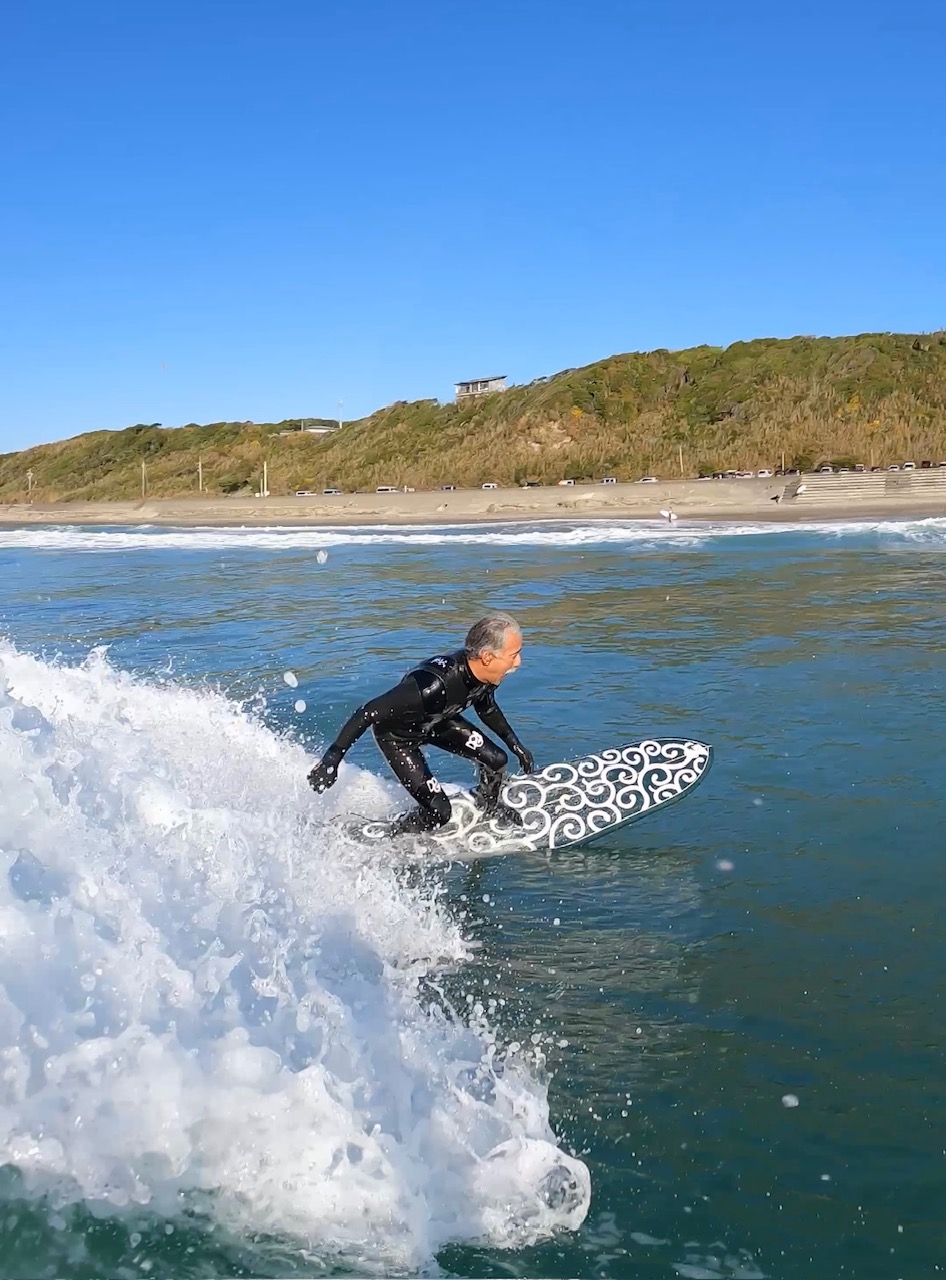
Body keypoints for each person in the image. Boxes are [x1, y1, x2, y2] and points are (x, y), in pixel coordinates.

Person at [307, 613, 535, 833]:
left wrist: (515, 745)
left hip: (437, 721)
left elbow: (487, 707)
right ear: (487, 657)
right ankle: (398, 834)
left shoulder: (486, 675)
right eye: (514, 654)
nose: (518, 662)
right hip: (399, 738)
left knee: (496, 760)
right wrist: (331, 760)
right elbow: (368, 712)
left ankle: (490, 806)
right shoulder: (431, 686)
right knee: (439, 812)